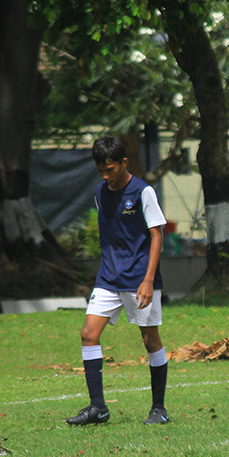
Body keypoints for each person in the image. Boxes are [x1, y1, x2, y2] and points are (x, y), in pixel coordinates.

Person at [67, 135, 170, 426]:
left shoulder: (143, 191)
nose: (105, 174)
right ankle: (98, 407)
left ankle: (159, 408)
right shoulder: (100, 192)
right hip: (109, 278)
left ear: (124, 162)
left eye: (110, 168)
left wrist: (149, 280)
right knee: (89, 333)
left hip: (139, 278)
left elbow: (156, 234)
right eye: (100, 169)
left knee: (150, 340)